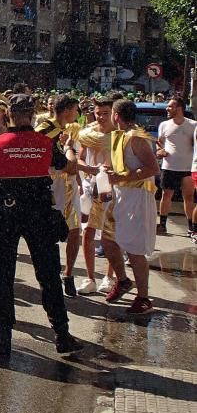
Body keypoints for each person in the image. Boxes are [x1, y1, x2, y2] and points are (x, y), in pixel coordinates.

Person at [0, 94, 83, 356]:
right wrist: (70, 148)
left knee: (3, 275)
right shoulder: (45, 143)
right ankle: (62, 335)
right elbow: (70, 168)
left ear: (9, 115)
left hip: (5, 215)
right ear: (32, 116)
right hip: (39, 215)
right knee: (49, 275)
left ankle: (4, 336)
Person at [100, 99, 161, 314]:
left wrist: (121, 177)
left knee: (134, 249)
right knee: (108, 241)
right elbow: (118, 165)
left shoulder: (136, 137)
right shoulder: (119, 135)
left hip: (136, 197)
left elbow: (152, 168)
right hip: (120, 196)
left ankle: (144, 298)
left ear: (116, 115)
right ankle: (123, 281)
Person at [35, 95, 84, 297]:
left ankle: (69, 274)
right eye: (75, 109)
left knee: (75, 231)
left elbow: (73, 165)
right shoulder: (44, 130)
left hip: (69, 187)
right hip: (51, 187)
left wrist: (84, 172)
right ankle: (48, 275)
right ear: (66, 110)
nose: (77, 113)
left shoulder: (72, 129)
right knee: (47, 235)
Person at [77, 96, 114, 294]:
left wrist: (108, 173)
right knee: (88, 232)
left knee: (110, 234)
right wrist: (90, 170)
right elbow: (79, 159)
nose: (100, 117)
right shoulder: (88, 133)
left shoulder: (119, 135)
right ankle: (90, 278)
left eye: (105, 114)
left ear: (113, 113)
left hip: (112, 189)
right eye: (98, 113)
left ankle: (109, 277)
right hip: (91, 188)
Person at [156, 95, 195, 235]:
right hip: (169, 167)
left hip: (188, 168)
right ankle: (162, 225)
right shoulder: (164, 125)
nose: (167, 108)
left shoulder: (193, 125)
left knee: (189, 197)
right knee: (166, 195)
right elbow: (159, 142)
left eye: (170, 106)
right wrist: (160, 151)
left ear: (179, 108)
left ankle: (191, 227)